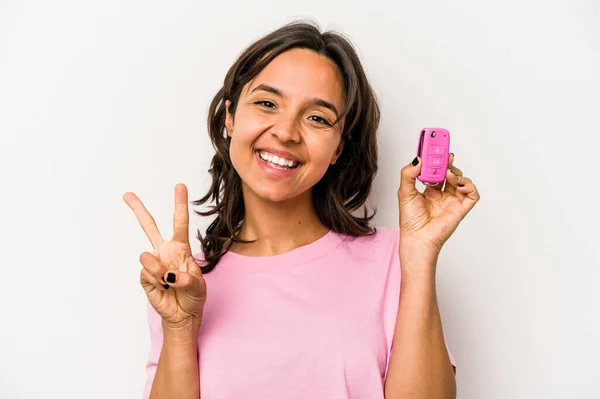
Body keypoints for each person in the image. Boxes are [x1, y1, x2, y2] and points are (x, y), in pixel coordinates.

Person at [123, 20, 479, 399]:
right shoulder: (183, 280)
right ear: (230, 117)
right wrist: (180, 328)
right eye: (266, 103)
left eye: (317, 118)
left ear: (339, 147)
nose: (287, 131)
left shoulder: (397, 259)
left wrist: (421, 257)